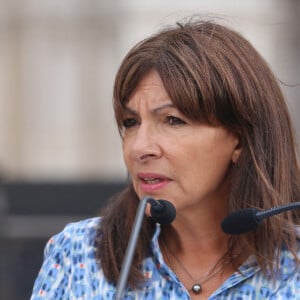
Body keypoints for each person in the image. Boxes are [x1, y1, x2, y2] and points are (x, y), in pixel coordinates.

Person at [30, 18, 300, 299]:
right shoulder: (78, 254)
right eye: (131, 122)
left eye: (173, 120)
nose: (140, 148)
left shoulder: (293, 271)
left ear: (240, 139)